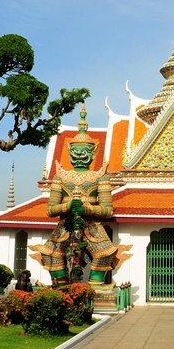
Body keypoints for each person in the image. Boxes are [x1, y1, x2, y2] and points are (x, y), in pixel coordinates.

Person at [32, 105, 122, 287]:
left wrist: (85, 208)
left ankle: (95, 291)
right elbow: (50, 210)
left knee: (104, 254)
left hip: (92, 226)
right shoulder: (60, 177)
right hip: (66, 224)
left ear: (93, 152)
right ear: (69, 151)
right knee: (52, 254)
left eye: (85, 151)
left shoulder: (100, 177)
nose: (80, 155)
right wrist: (66, 207)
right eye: (75, 151)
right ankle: (61, 289)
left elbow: (107, 210)